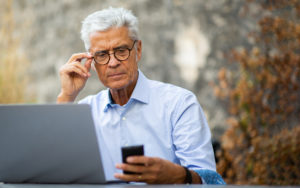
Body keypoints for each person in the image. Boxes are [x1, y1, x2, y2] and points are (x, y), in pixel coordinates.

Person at [57, 7, 224, 184]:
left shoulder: (179, 103)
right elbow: (55, 169)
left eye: (121, 50)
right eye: (102, 54)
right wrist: (66, 96)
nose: (113, 63)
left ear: (138, 50)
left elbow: (211, 182)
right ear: (91, 62)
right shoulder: (85, 111)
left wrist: (178, 175)